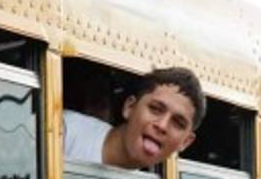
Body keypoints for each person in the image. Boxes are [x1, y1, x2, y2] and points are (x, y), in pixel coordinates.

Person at [63, 67, 206, 169]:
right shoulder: (63, 131)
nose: (162, 126)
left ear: (185, 142)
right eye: (155, 109)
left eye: (178, 123)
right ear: (129, 107)